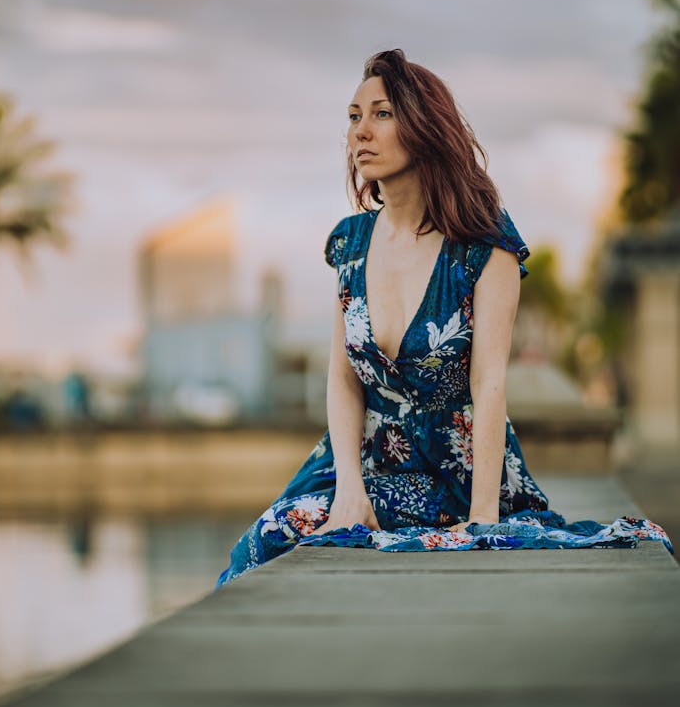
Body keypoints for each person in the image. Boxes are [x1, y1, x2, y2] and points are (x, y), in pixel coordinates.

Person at [216, 49, 673, 587]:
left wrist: (482, 518)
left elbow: (490, 385)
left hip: (449, 469)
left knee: (288, 531)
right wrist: (348, 487)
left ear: (424, 126)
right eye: (354, 116)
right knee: (255, 549)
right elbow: (342, 379)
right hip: (356, 463)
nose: (361, 132)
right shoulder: (350, 243)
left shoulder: (483, 245)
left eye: (382, 114)